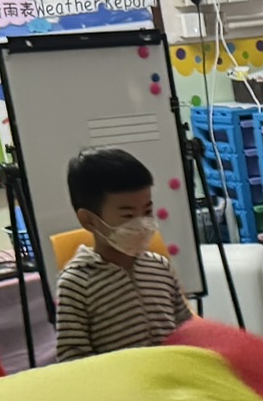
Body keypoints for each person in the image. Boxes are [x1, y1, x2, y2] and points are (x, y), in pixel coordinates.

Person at [55, 148, 195, 361]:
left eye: (147, 212)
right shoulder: (76, 284)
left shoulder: (160, 267)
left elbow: (187, 329)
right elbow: (72, 357)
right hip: (119, 380)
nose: (142, 224)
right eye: (128, 215)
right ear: (89, 220)